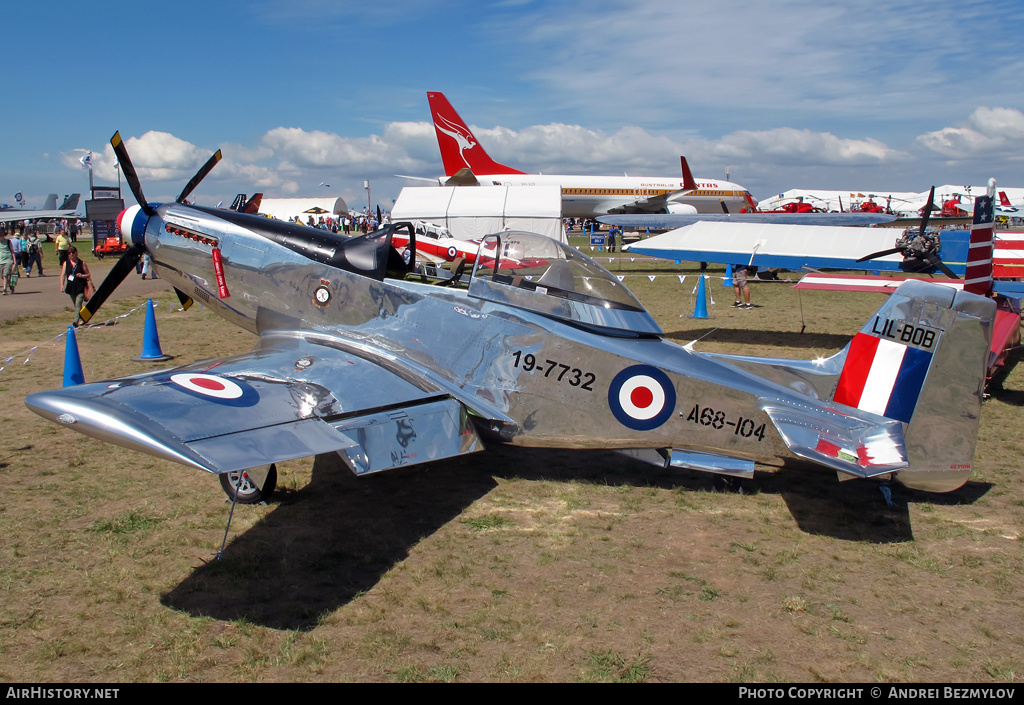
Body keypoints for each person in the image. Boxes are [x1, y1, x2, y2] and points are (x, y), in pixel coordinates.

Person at [60, 247, 94, 326]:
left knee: (78, 303)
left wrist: (82, 275)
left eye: (73, 252)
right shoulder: (66, 263)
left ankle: (76, 321)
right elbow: (62, 275)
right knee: (76, 305)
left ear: (76, 253)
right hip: (71, 287)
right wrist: (62, 285)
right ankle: (83, 319)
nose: (71, 254)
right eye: (69, 253)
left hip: (81, 287)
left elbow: (88, 274)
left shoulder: (81, 263)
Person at [0, 231, 14, 295]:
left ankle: (4, 289)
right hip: (1, 261)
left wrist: (15, 260)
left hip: (8, 260)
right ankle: (10, 285)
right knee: (3, 276)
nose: (1, 237)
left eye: (2, 235)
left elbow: (12, 252)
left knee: (5, 274)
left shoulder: (8, 242)